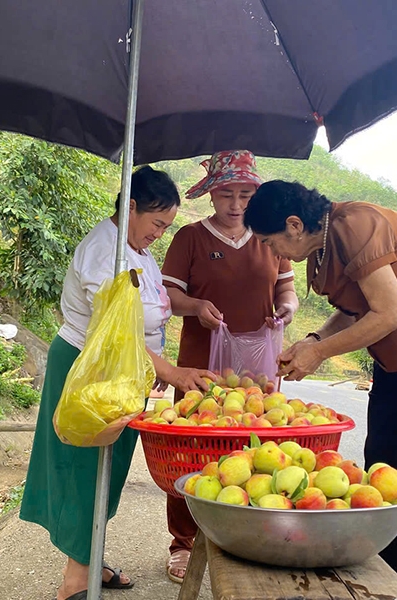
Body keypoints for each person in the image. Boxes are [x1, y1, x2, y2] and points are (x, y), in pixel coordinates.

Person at [243, 180, 397, 600]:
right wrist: (314, 341)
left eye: (269, 241)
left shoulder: (355, 224)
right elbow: (354, 311)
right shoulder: (318, 251)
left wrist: (319, 355)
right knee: (382, 467)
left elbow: (392, 311)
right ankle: (380, 577)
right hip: (395, 357)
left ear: (294, 224)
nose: (271, 252)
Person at [20, 166, 214, 600]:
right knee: (86, 471)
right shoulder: (105, 254)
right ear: (129, 208)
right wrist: (172, 372)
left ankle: (90, 559)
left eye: (167, 226)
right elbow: (114, 335)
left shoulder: (134, 247)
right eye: (157, 223)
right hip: (90, 372)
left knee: (110, 469)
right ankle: (75, 582)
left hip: (123, 373)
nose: (160, 234)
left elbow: (142, 320)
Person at [160, 151, 299, 583]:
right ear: (211, 195)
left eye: (244, 194)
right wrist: (196, 306)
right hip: (199, 365)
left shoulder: (268, 237)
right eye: (227, 195)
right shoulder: (189, 238)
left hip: (257, 369)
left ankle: (245, 538)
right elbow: (169, 298)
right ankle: (183, 544)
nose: (236, 204)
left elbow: (287, 290)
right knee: (190, 453)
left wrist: (287, 311)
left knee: (253, 452)